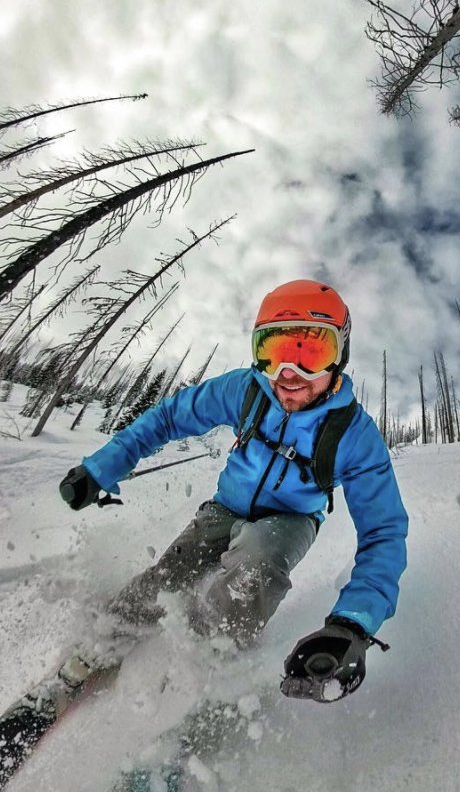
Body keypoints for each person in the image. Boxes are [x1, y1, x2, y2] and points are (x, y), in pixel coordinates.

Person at [60, 279, 408, 703]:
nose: (289, 375)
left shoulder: (354, 434)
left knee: (255, 564)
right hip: (225, 508)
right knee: (166, 578)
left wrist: (352, 622)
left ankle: (211, 672)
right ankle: (99, 647)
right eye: (274, 352)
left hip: (292, 519)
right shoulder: (246, 390)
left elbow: (383, 533)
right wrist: (101, 469)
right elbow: (170, 417)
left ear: (340, 357)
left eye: (311, 353)